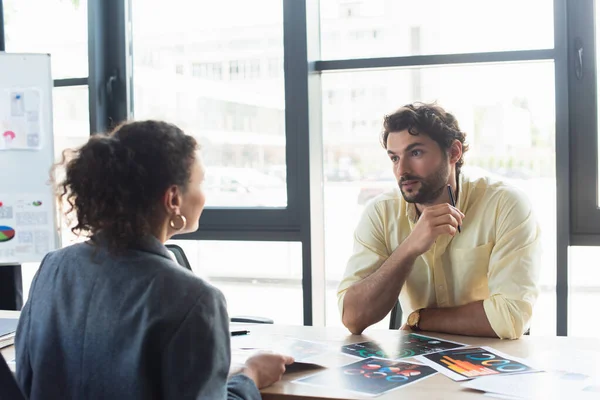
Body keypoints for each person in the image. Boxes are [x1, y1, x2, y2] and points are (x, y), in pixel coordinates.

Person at [15, 120, 293, 400]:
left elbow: (26, 383)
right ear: (173, 198)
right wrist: (251, 375)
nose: (204, 196)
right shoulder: (194, 299)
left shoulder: (52, 268)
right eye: (201, 182)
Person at [337, 103, 542, 340]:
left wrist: (420, 319)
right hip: (418, 362)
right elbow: (353, 318)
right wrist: (409, 248)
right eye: (394, 158)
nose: (401, 170)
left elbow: (510, 317)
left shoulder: (505, 205)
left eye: (415, 153)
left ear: (454, 152)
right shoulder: (381, 213)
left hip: (493, 359)